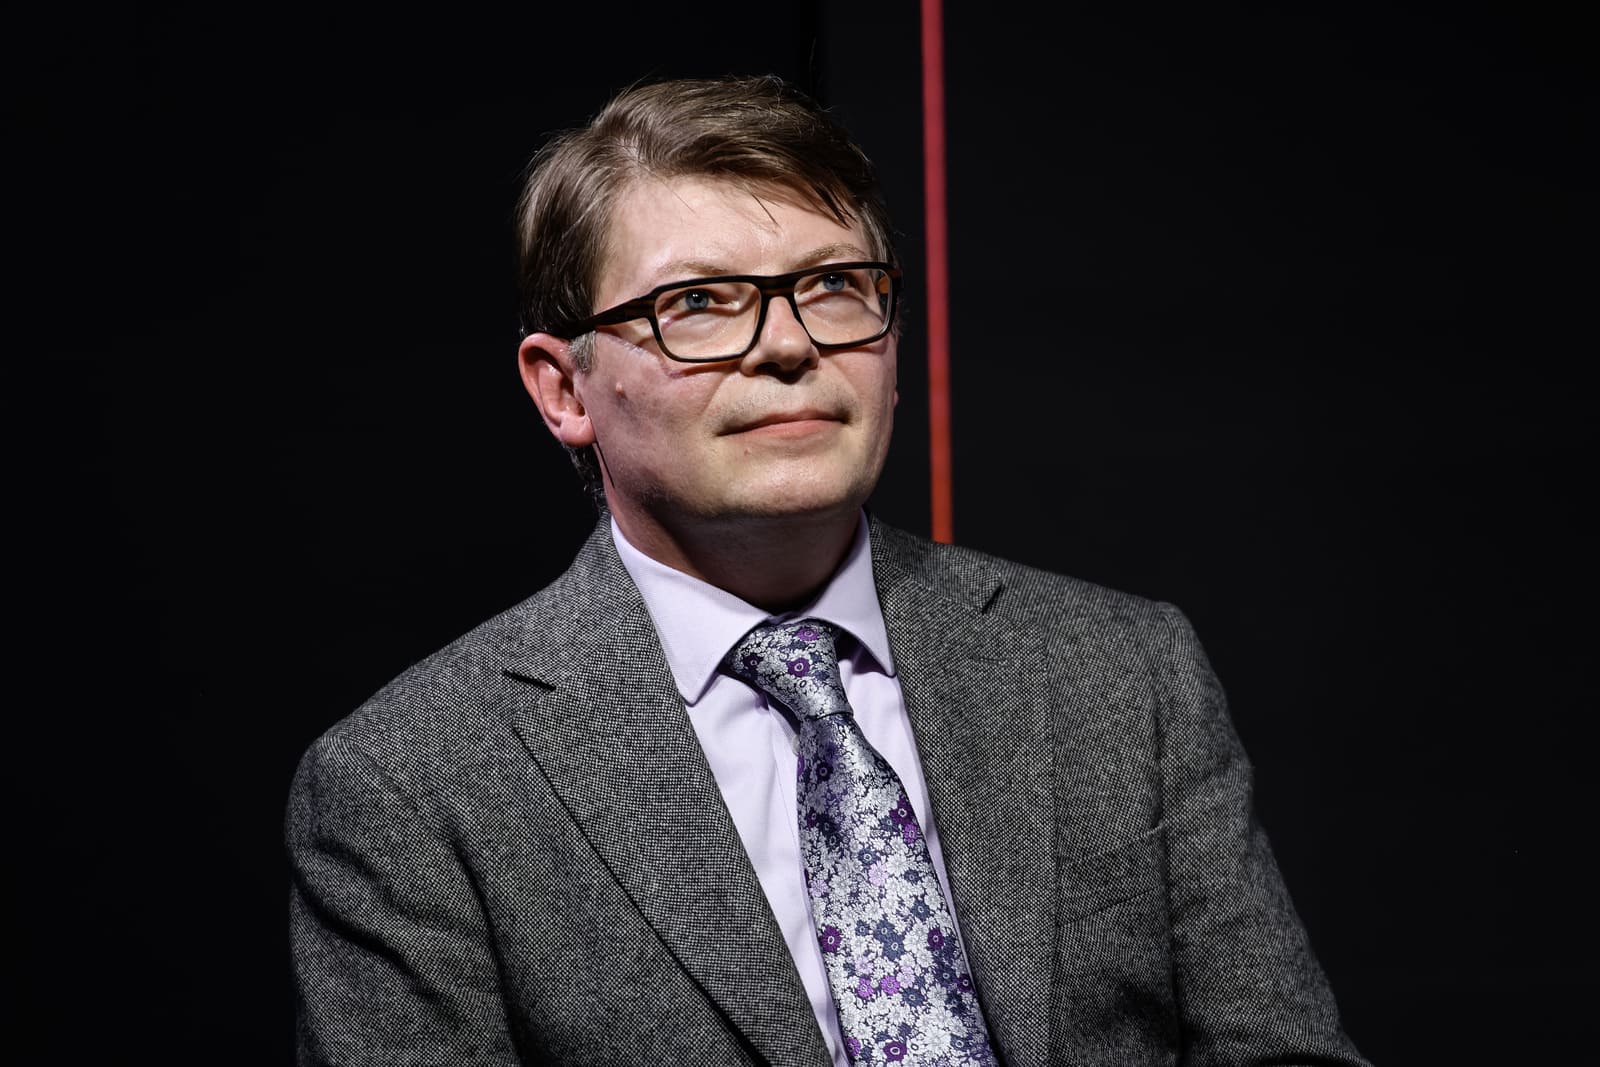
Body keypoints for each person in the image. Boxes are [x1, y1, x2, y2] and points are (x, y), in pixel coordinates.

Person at [285, 73, 1371, 1066]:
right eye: (698, 303)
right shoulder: (414, 784)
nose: (788, 343)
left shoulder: (1119, 672)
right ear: (564, 390)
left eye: (834, 284)